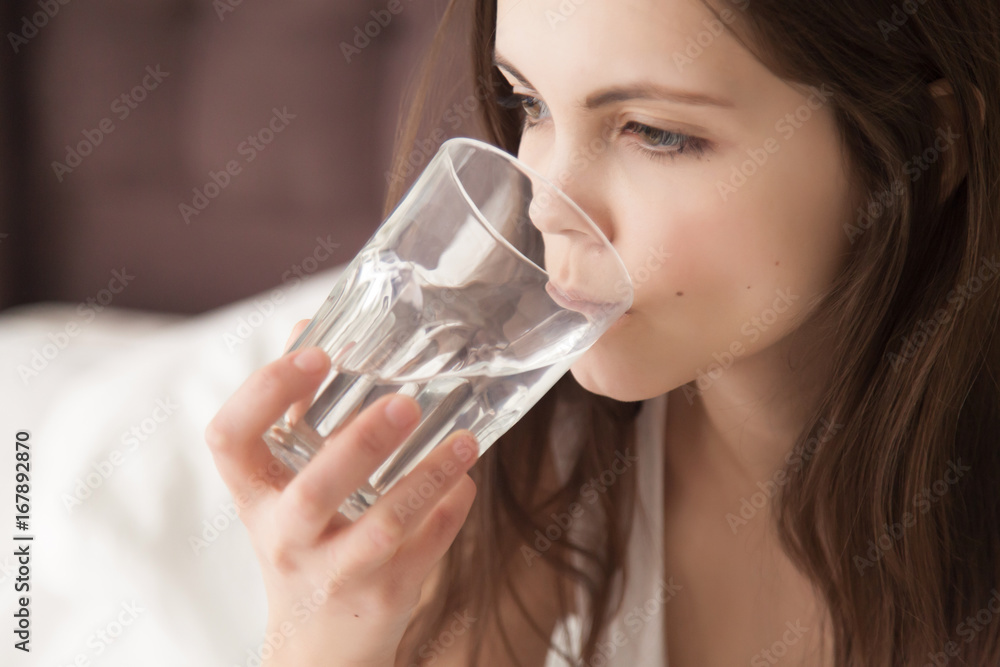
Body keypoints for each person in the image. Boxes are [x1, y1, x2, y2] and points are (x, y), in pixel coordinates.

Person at [205, 0, 1000, 664]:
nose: (546, 207)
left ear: (934, 151)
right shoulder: (520, 453)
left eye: (655, 132)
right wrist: (322, 634)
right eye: (528, 104)